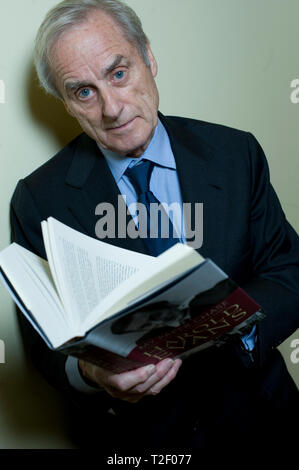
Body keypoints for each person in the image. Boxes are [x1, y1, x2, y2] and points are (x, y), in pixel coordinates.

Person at [11, 0, 299, 454]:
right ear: (66, 103)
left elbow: (288, 267)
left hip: (262, 421)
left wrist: (231, 326)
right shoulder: (39, 199)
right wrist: (91, 374)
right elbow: (42, 344)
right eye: (83, 92)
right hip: (138, 441)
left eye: (118, 73)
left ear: (148, 57)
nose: (112, 108)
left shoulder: (234, 153)